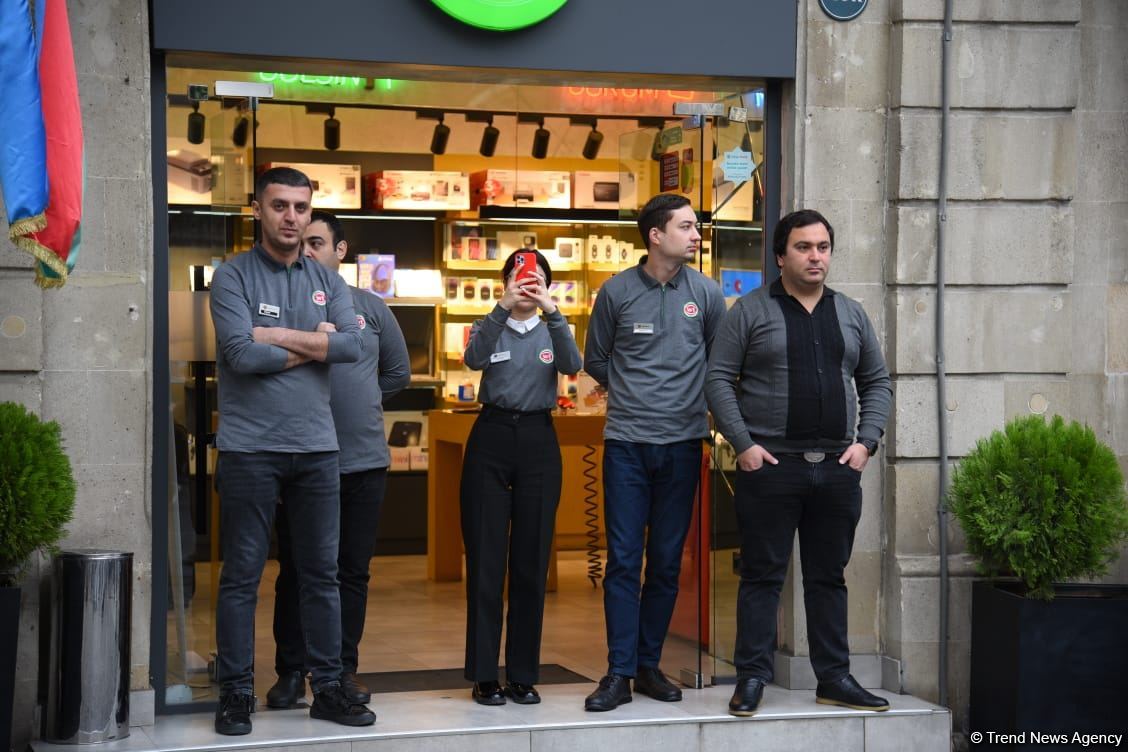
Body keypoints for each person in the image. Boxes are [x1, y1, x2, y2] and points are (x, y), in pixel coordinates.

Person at [703, 209, 893, 717]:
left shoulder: (850, 313)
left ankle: (834, 678)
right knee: (762, 576)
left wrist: (866, 443)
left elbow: (877, 381)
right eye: (804, 247)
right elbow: (718, 378)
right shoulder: (750, 311)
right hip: (771, 467)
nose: (815, 257)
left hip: (837, 468)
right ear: (781, 256)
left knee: (828, 577)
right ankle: (752, 677)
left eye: (823, 247)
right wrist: (743, 444)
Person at [208, 167, 375, 735]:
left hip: (317, 449)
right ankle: (235, 692)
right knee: (242, 577)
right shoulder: (233, 276)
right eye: (279, 205)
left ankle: (327, 689)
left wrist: (275, 335)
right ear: (257, 209)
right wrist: (317, 343)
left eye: (301, 208)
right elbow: (239, 355)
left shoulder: (327, 279)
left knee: (321, 576)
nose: (291, 217)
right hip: (250, 450)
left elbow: (353, 346)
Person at [582, 193, 725, 711]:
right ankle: (618, 673)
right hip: (626, 445)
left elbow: (719, 364)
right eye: (686, 226)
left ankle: (648, 666)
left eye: (695, 226)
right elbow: (596, 360)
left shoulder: (706, 293)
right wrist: (636, 393)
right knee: (623, 561)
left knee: (665, 563)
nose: (696, 235)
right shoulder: (616, 292)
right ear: (656, 235)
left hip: (684, 445)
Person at [266, 210, 412, 710]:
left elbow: (397, 373)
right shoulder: (285, 307)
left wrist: (363, 399)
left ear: (340, 251)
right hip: (300, 459)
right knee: (296, 569)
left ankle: (342, 669)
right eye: (301, 243)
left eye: (317, 243)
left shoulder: (372, 308)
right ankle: (291, 671)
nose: (306, 251)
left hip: (363, 461)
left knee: (352, 571)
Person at [459, 249, 582, 706]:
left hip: (538, 440)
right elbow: (474, 359)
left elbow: (572, 364)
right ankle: (484, 675)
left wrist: (553, 311)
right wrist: (502, 306)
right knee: (486, 562)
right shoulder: (489, 323)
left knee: (531, 563)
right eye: (519, 276)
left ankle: (524, 675)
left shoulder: (554, 327)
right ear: (505, 282)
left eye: (536, 278)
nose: (527, 283)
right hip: (490, 436)